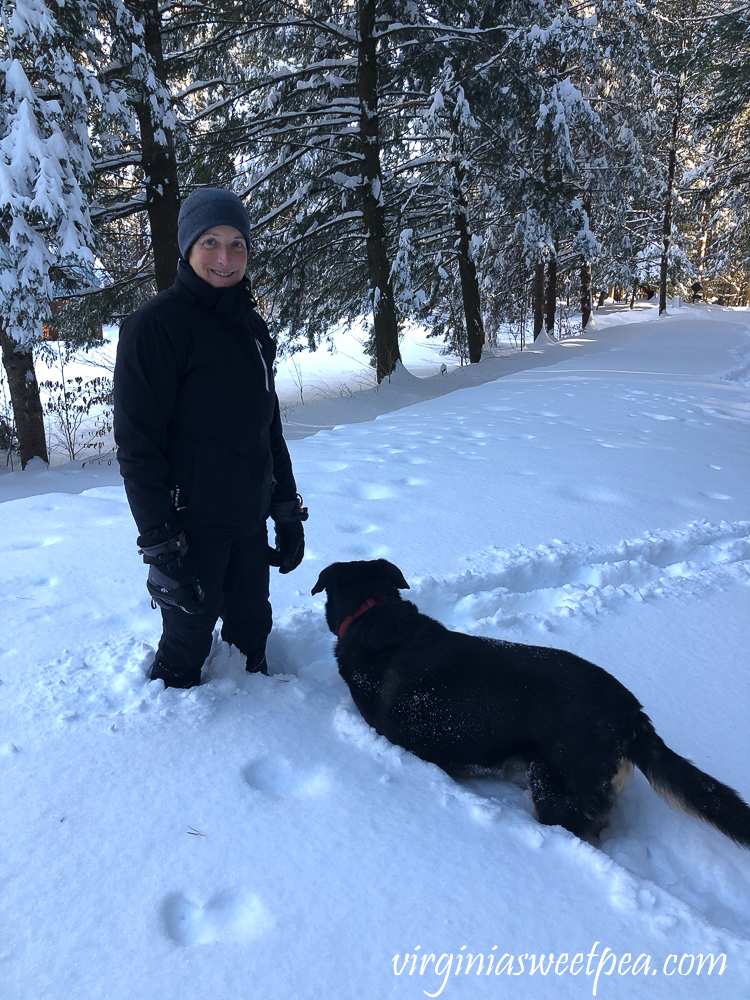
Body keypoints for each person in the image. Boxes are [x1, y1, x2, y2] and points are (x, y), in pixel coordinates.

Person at [114, 188, 307, 688]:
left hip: (247, 520)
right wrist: (161, 543)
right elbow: (138, 447)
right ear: (187, 248)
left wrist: (285, 508)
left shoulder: (252, 329)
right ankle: (179, 748)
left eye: (238, 243)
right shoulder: (155, 327)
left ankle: (261, 736)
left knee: (252, 635)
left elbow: (269, 426)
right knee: (187, 644)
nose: (225, 257)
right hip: (188, 530)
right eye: (211, 242)